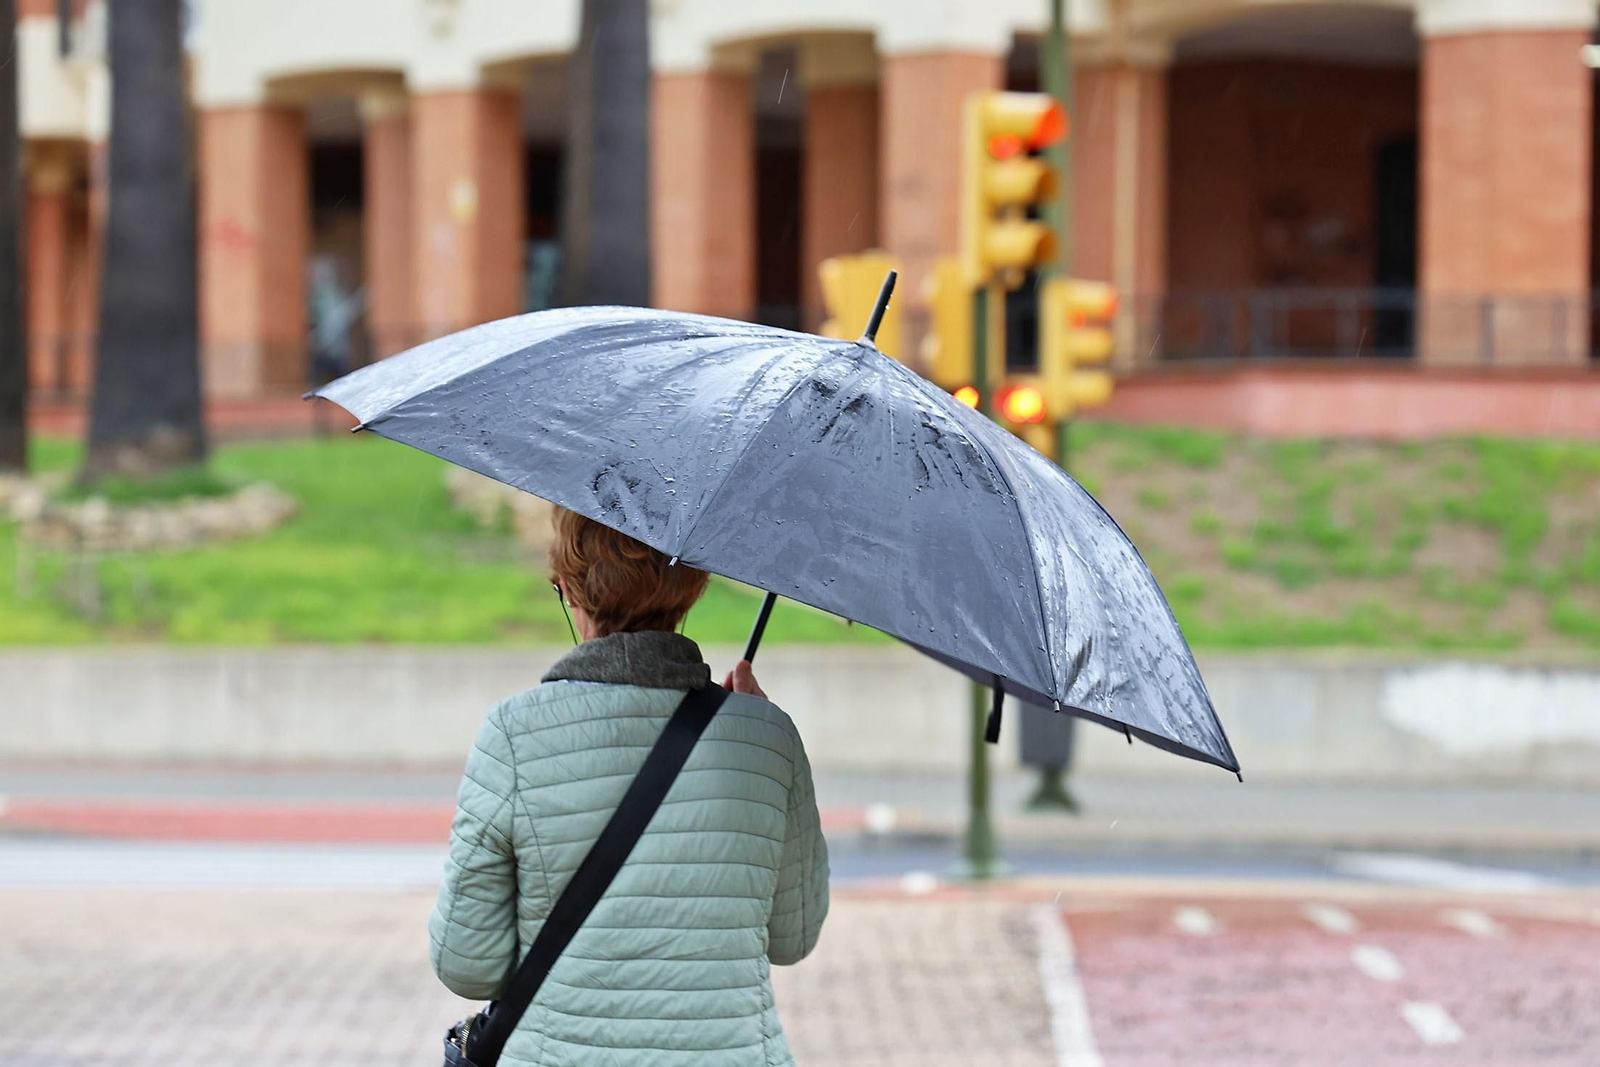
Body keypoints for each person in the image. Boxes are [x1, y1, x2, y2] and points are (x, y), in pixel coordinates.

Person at [430, 507, 830, 1066]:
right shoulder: (766, 737)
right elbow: (794, 936)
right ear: (691, 591)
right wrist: (762, 735)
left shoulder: (514, 734)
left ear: (569, 590)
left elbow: (467, 963)